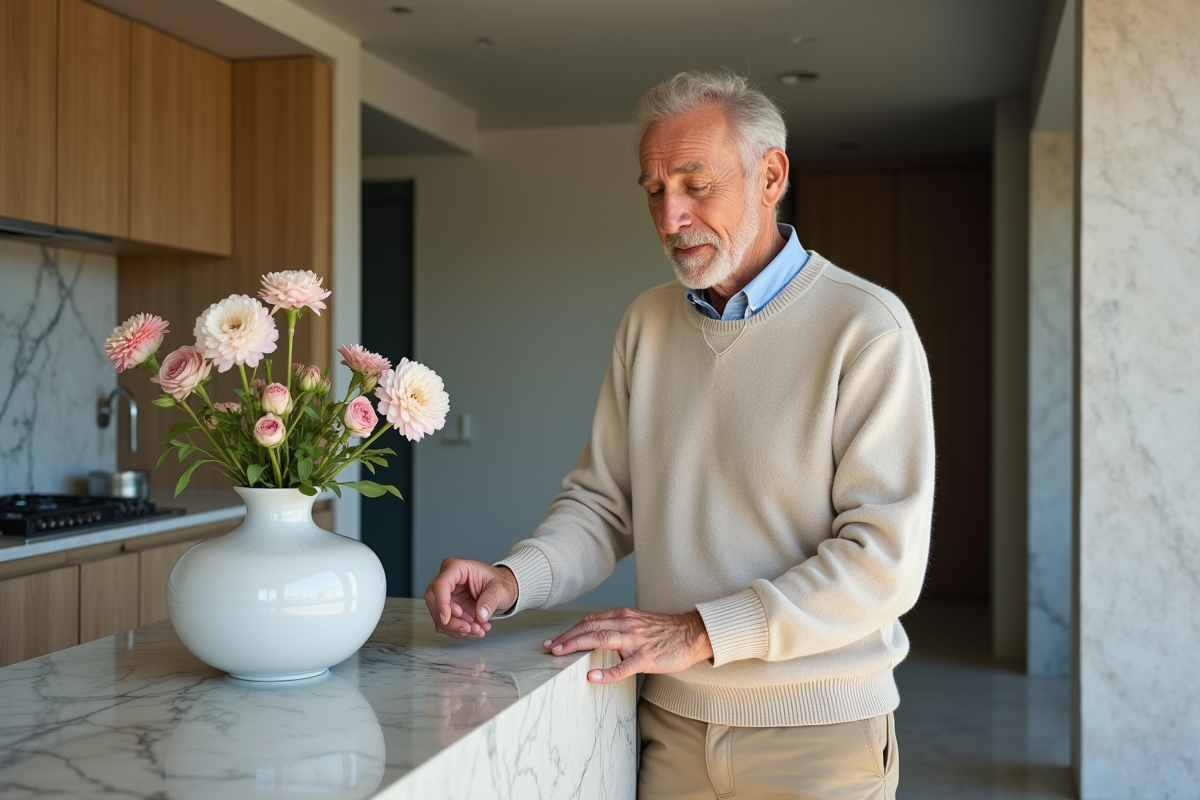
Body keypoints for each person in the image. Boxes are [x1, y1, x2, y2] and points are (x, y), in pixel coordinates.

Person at [423, 70, 934, 799]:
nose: (671, 217)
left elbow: (882, 563)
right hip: (667, 724)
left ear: (770, 176)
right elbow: (605, 504)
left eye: (696, 185)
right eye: (655, 191)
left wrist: (697, 632)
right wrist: (512, 581)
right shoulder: (647, 323)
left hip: (818, 738)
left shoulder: (867, 329)